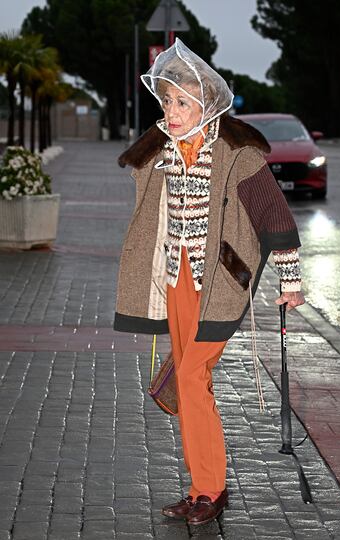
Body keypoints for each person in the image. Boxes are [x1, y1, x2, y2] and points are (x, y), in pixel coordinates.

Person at [114, 39, 304, 527]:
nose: (172, 112)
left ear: (208, 103)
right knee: (190, 380)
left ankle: (212, 489)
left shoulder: (236, 152)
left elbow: (272, 212)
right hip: (174, 278)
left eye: (182, 102)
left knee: (194, 378)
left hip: (218, 281)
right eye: (167, 102)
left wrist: (290, 279)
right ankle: (201, 486)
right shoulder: (164, 150)